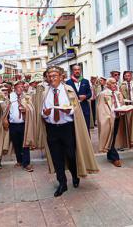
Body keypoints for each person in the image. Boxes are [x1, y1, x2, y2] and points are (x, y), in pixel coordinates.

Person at [41, 66, 98, 197]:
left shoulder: (69, 90)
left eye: (55, 75)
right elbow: (42, 112)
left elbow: (75, 108)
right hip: (52, 128)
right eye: (49, 76)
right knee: (56, 157)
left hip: (67, 127)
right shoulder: (45, 92)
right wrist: (45, 113)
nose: (52, 78)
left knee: (71, 154)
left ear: (61, 77)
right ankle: (62, 183)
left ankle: (74, 174)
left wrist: (69, 110)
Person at [3, 80, 35, 172]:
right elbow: (6, 109)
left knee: (25, 144)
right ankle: (19, 160)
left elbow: (32, 109)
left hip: (24, 124)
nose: (19, 88)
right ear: (14, 88)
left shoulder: (27, 97)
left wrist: (26, 110)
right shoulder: (10, 97)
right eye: (17, 87)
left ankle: (27, 163)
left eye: (21, 86)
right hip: (13, 124)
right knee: (16, 143)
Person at [97, 78, 129, 167]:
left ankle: (110, 154)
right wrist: (109, 116)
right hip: (109, 118)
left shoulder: (118, 93)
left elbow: (121, 104)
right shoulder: (103, 94)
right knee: (110, 136)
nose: (115, 85)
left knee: (113, 136)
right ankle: (115, 158)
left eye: (115, 83)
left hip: (118, 116)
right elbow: (101, 108)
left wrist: (124, 109)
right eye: (113, 83)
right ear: (107, 85)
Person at [66, 64, 92, 133]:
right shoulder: (68, 82)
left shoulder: (85, 81)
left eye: (78, 69)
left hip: (85, 107)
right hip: (74, 108)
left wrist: (85, 96)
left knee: (86, 127)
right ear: (72, 71)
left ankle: (87, 143)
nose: (77, 71)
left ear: (80, 71)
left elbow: (90, 94)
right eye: (75, 70)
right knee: (75, 128)